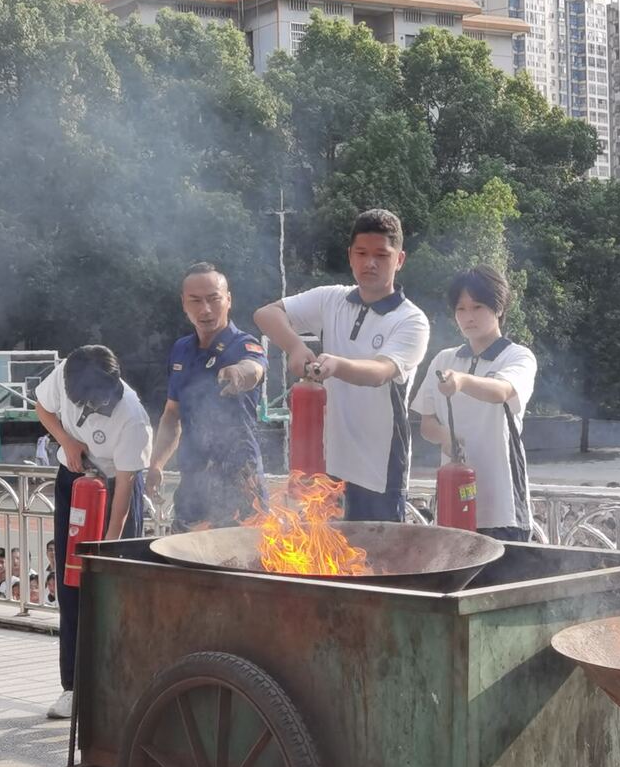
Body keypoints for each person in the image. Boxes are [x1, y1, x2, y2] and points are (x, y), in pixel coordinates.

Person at [255, 209, 430, 521]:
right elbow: (266, 314)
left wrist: (336, 365)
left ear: (399, 259)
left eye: (381, 255)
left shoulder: (411, 320)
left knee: (378, 562)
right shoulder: (331, 299)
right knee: (324, 559)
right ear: (350, 256)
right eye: (361, 253)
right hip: (328, 466)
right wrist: (295, 346)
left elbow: (381, 372)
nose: (370, 263)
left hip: (379, 470)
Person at [34, 344, 153, 719]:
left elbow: (125, 488)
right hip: (74, 479)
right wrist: (66, 440)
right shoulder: (68, 370)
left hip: (115, 490)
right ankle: (73, 686)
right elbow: (43, 408)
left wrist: (109, 544)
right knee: (71, 586)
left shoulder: (132, 418)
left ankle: (120, 683)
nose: (88, 409)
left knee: (114, 592)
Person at [412, 265, 537, 541]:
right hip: (453, 500)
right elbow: (427, 422)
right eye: (461, 309)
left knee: (503, 581)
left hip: (502, 507)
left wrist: (463, 381)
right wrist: (445, 436)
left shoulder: (517, 357)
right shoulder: (444, 359)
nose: (469, 317)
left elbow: (503, 390)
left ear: (499, 308)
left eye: (478, 307)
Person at [148, 263, 269, 530]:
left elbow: (255, 368)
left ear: (228, 299)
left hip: (239, 479)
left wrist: (238, 373)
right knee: (187, 563)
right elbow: (171, 415)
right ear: (184, 304)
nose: (205, 309)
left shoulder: (243, 344)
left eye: (214, 299)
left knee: (241, 564)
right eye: (196, 301)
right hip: (193, 482)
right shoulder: (181, 350)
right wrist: (156, 463)